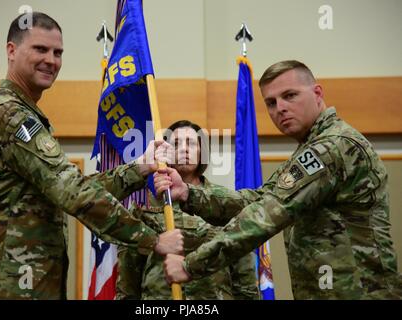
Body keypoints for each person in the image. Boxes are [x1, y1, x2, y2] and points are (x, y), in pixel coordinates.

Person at [0, 12, 183, 300]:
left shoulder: (25, 114)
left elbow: (68, 186)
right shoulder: (9, 115)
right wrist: (153, 240)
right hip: (2, 285)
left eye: (57, 52)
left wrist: (140, 168)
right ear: (11, 50)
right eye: (40, 49)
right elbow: (72, 191)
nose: (51, 60)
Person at [155, 60, 402, 299]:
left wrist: (190, 265)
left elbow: (266, 214)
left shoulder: (332, 148)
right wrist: (189, 193)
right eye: (271, 103)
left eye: (290, 95)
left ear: (317, 93)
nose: (280, 108)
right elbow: (258, 200)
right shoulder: (309, 150)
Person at [116, 120, 259, 300]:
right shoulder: (143, 203)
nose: (184, 149)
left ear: (202, 152)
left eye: (191, 143)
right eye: (176, 144)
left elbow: (243, 269)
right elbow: (128, 279)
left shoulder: (223, 203)